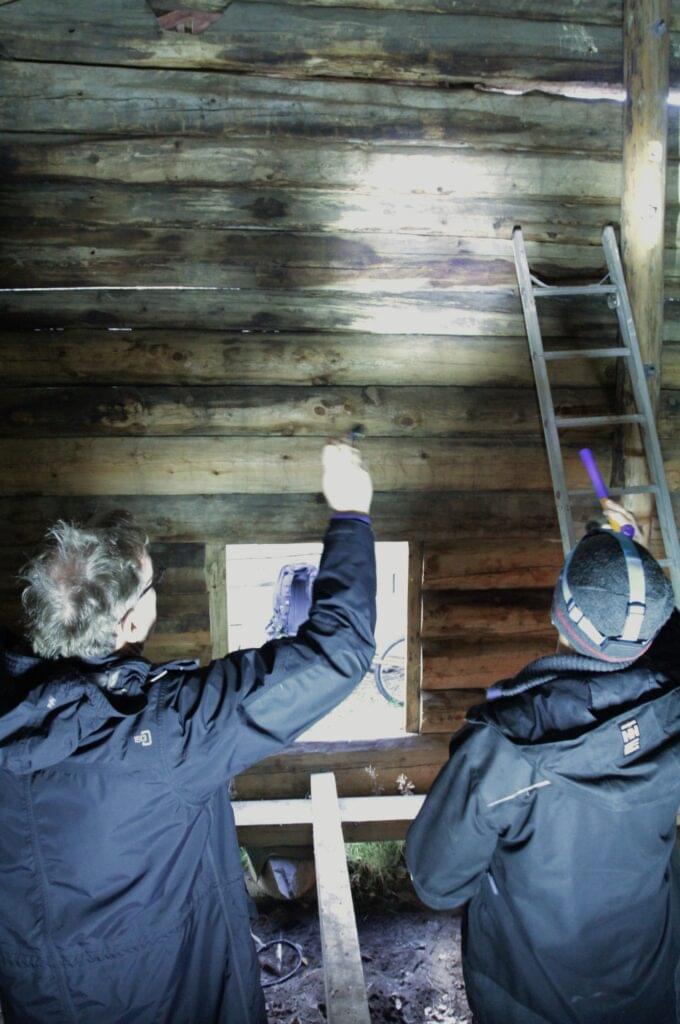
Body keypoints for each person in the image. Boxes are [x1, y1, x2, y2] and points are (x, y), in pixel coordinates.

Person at [0, 441, 376, 1024]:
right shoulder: (165, 735)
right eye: (152, 587)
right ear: (131, 622)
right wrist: (351, 515)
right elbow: (337, 653)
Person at [405, 500, 680, 1024]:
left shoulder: (506, 750)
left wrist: (628, 563)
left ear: (558, 612)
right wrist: (633, 570)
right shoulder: (673, 705)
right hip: (649, 983)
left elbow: (436, 882)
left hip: (531, 998)